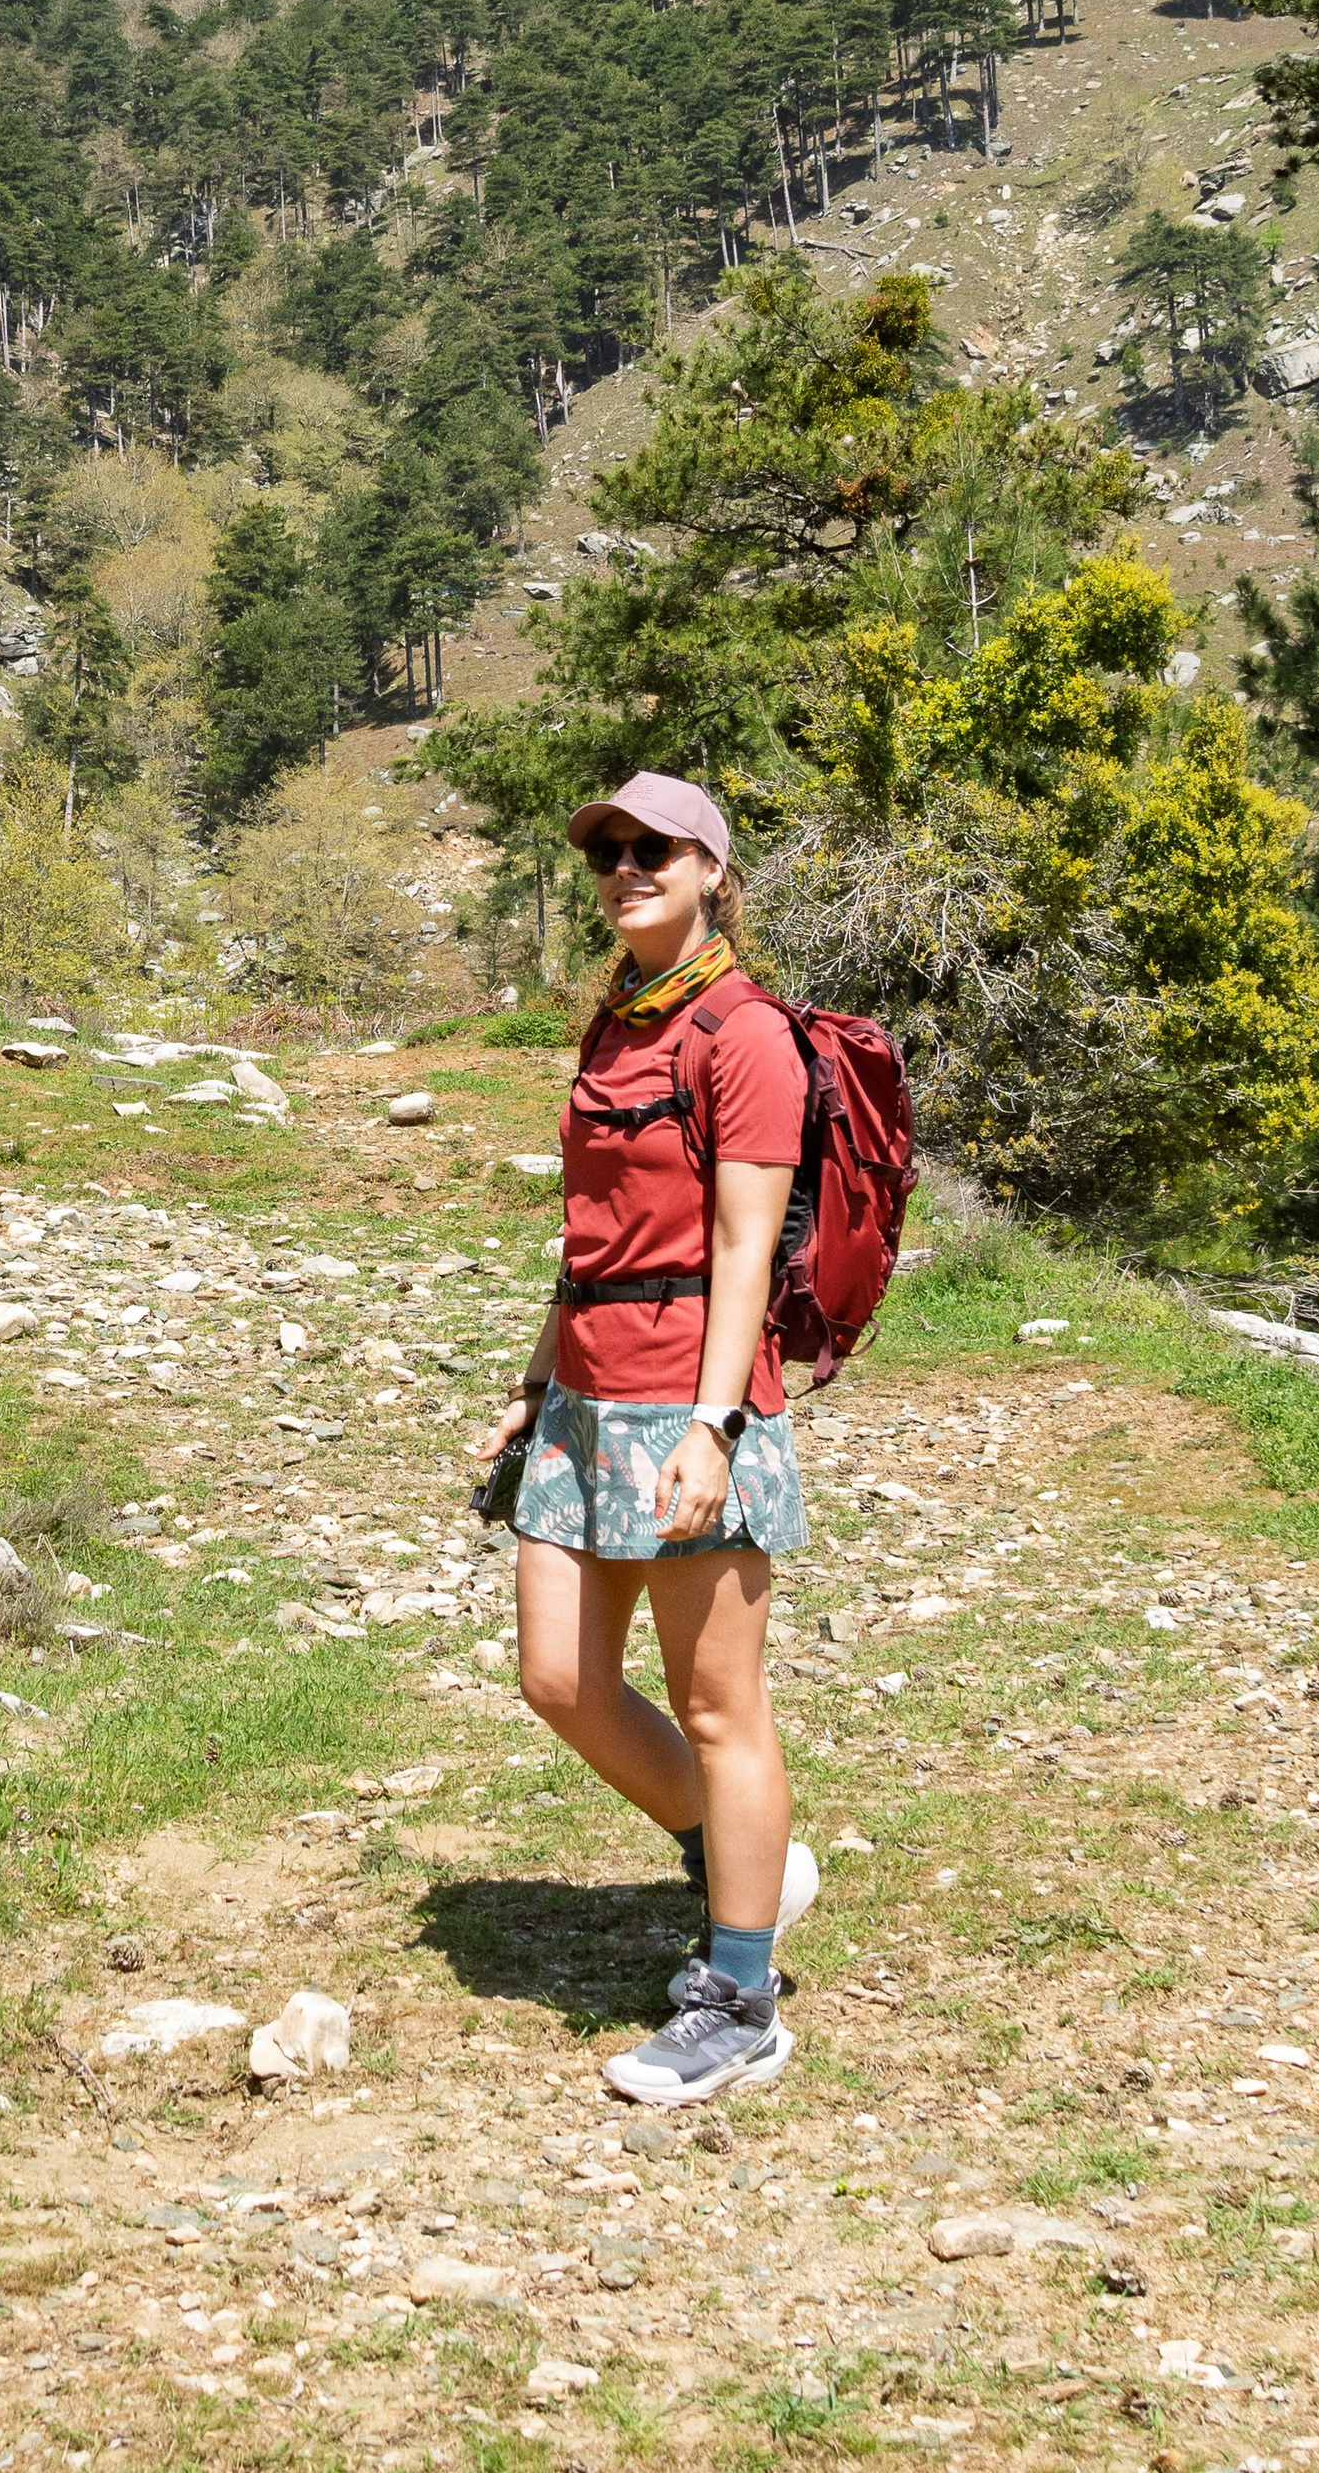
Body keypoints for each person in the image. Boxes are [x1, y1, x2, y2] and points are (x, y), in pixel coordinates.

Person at [471, 771, 819, 2108]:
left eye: (652, 849)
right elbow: (591, 1239)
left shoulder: (747, 1035)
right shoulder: (614, 1025)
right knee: (558, 1680)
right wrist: (536, 1377)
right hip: (585, 1398)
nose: (625, 868)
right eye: (608, 851)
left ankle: (740, 1996)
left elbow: (744, 1245)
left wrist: (715, 1425)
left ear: (711, 868)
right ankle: (746, 1862)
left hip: (691, 1399)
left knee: (719, 1703)